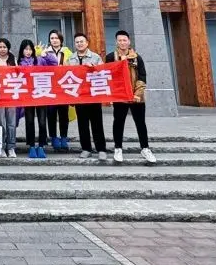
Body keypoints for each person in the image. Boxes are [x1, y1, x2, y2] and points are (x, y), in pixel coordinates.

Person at [106, 30, 156, 165]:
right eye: (120, 40)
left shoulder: (137, 57)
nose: (122, 42)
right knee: (118, 122)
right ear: (116, 42)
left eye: (124, 40)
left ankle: (145, 148)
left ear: (129, 41)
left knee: (140, 122)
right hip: (120, 96)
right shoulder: (111, 57)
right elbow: (108, 76)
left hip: (136, 96)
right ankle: (118, 148)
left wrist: (137, 93)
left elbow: (142, 76)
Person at [71, 32, 107, 163]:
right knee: (82, 124)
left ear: (87, 43)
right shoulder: (71, 59)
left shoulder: (95, 57)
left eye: (82, 41)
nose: (79, 44)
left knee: (97, 123)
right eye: (77, 42)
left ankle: (101, 149)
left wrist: (94, 69)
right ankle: (86, 148)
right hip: (80, 97)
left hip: (93, 96)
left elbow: (103, 74)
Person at [41, 30, 73, 151]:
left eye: (56, 38)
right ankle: (54, 138)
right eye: (52, 38)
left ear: (61, 40)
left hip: (63, 87)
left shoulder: (67, 52)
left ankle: (64, 138)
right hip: (49, 87)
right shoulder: (44, 52)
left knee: (64, 114)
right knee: (51, 114)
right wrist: (42, 57)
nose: (54, 40)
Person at [17, 39, 47, 159]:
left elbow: (54, 65)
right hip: (28, 97)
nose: (28, 52)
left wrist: (45, 54)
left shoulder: (39, 60)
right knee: (29, 122)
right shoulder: (19, 62)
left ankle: (41, 146)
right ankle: (31, 146)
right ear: (22, 51)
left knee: (42, 122)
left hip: (41, 95)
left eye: (30, 49)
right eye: (26, 49)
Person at [0, 38, 18, 158]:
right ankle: (0, 147)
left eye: (4, 47)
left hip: (10, 94)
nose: (2, 49)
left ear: (8, 48)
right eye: (0, 47)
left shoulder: (13, 59)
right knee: (0, 122)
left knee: (11, 122)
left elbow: (17, 75)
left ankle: (11, 147)